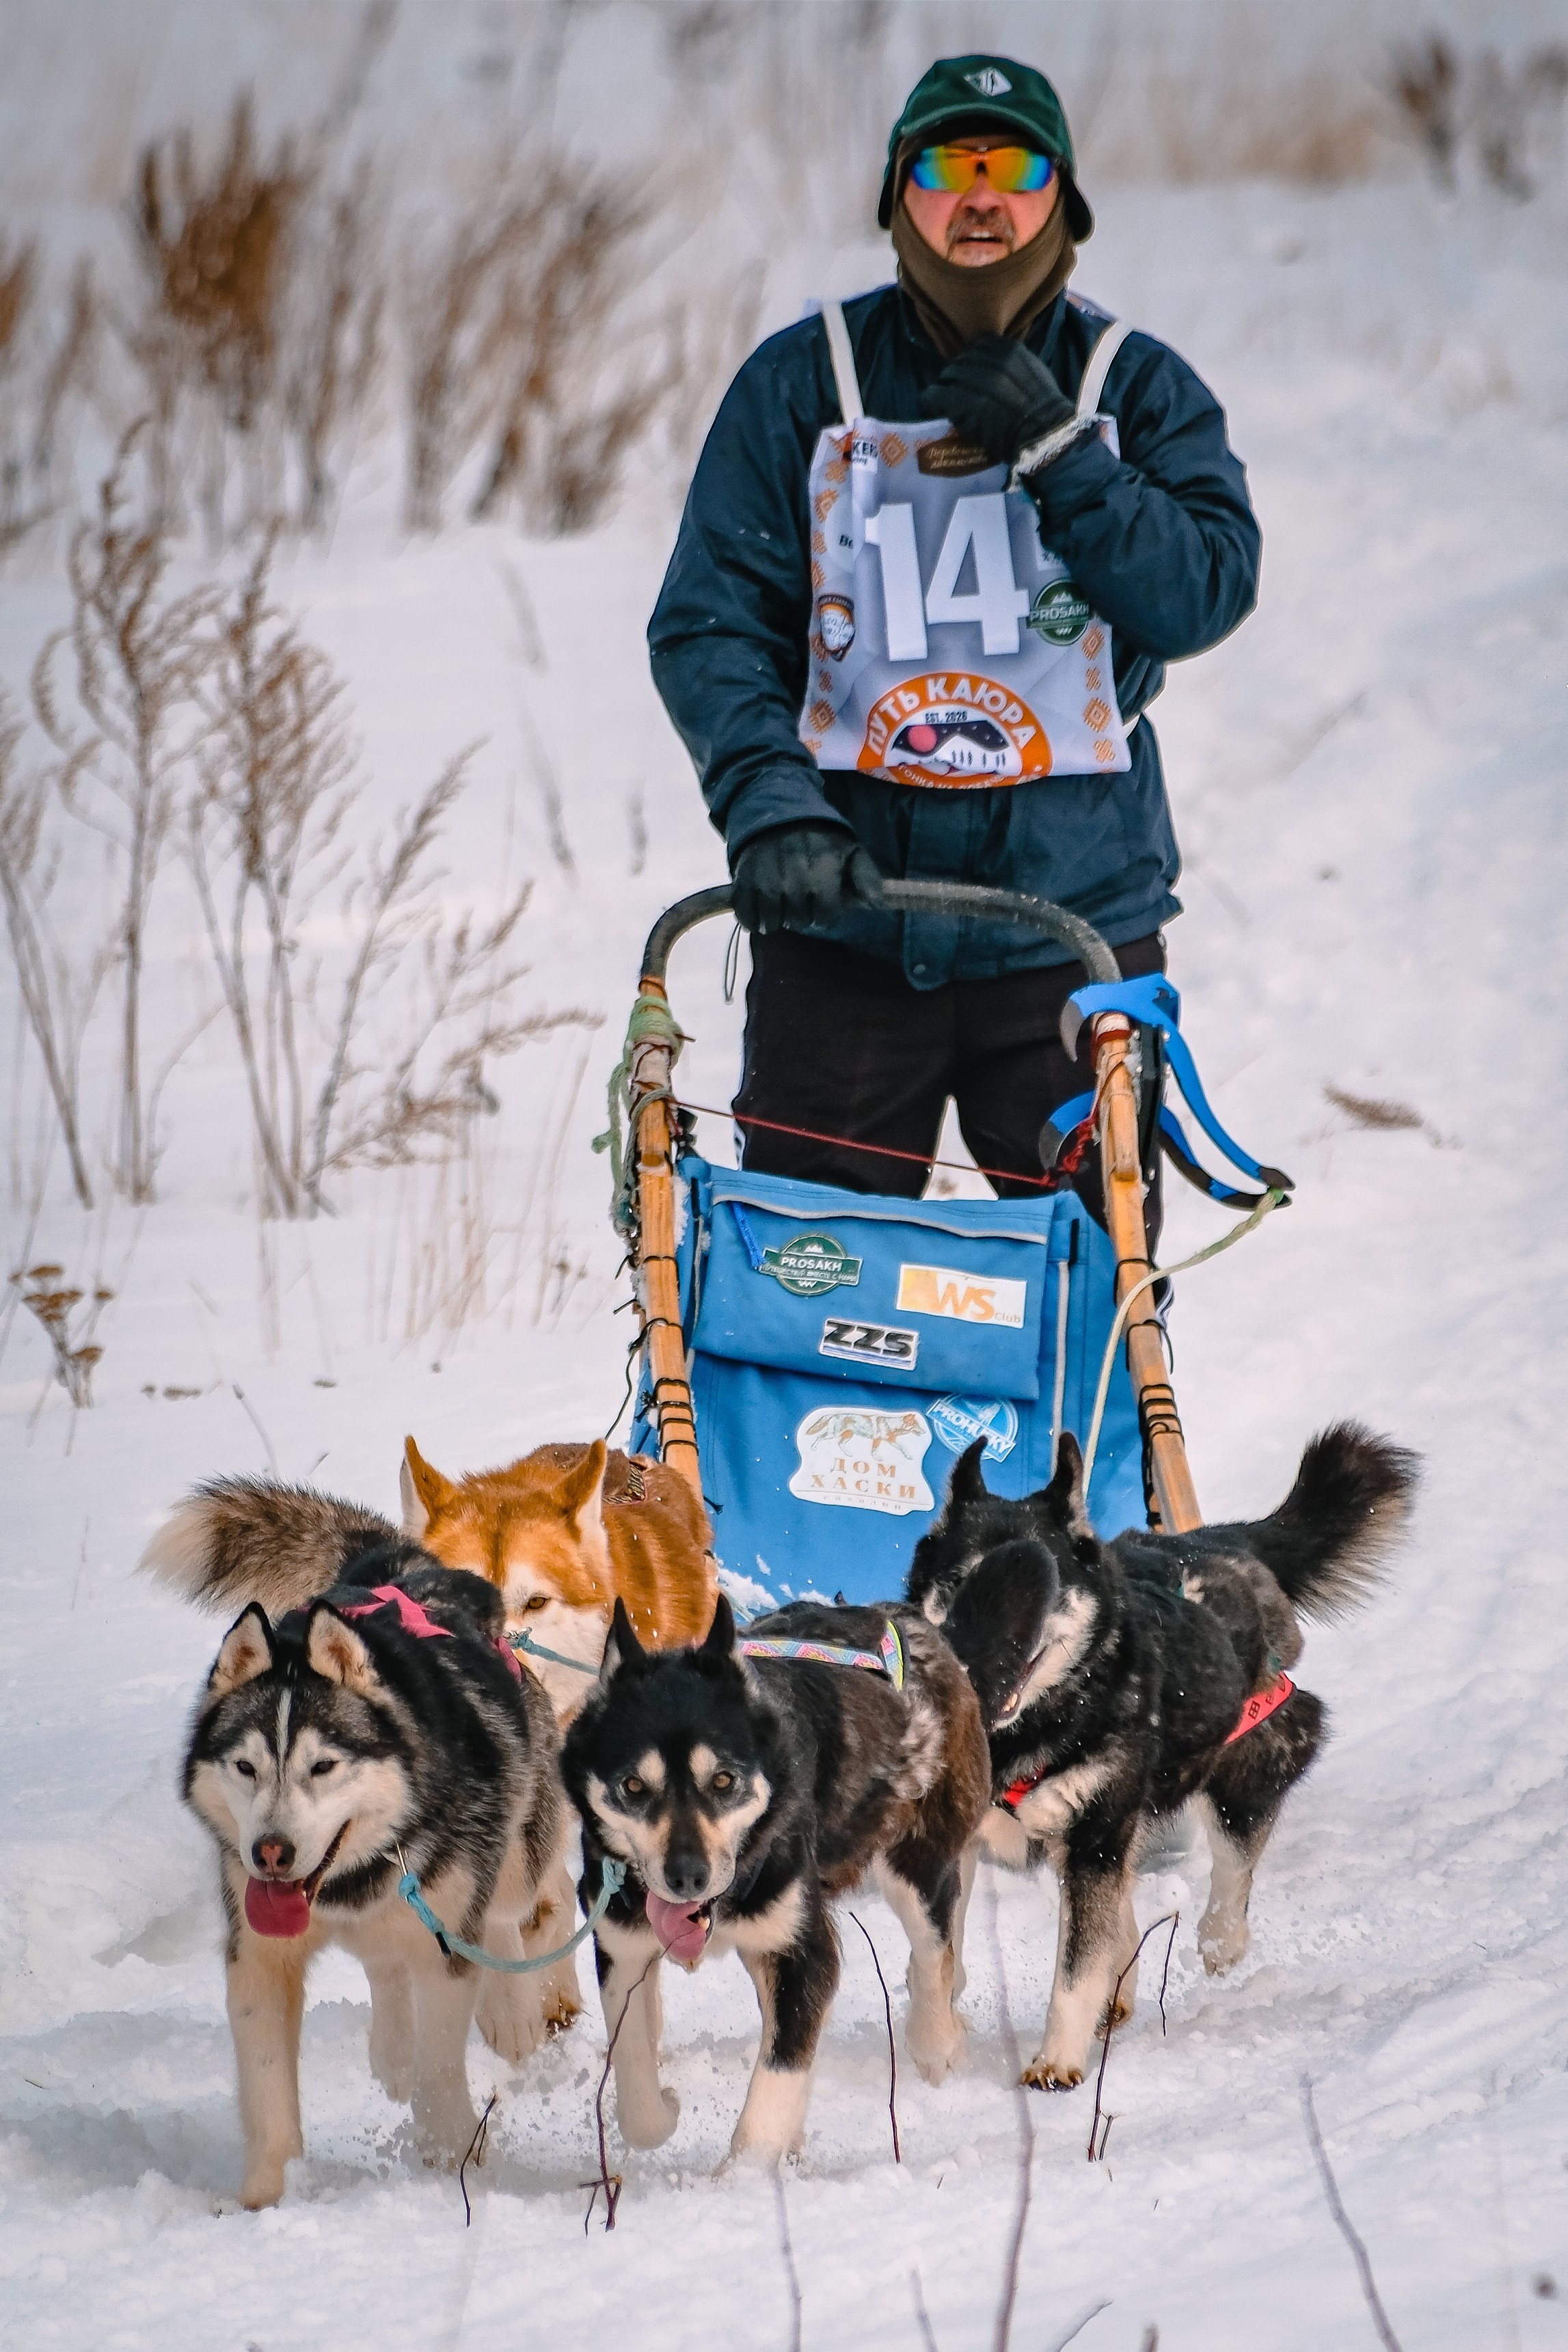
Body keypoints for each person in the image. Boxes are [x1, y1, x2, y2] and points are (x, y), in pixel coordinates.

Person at [647, 52, 1260, 1234]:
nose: (980, 195)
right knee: (802, 1299)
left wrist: (1063, 454)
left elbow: (1202, 591)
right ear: (898, 198)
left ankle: (1093, 1437)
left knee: (1091, 1311)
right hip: (843, 927)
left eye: (1012, 166)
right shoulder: (800, 385)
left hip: (1069, 946)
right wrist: (769, 804)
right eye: (945, 165)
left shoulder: (1130, 384)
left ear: (1060, 203)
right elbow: (709, 620)